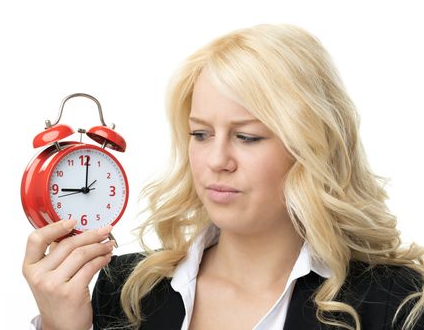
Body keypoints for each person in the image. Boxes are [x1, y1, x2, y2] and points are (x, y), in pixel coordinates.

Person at [23, 24, 424, 330]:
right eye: (201, 133)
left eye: (246, 137)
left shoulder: (399, 305)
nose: (217, 160)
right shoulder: (126, 290)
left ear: (311, 146)